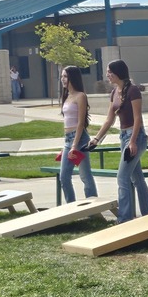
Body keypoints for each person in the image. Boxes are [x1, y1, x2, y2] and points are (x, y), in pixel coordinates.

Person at [88, 59, 148, 223]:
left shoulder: (133, 91)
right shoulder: (114, 93)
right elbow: (109, 120)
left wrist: (132, 142)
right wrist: (96, 139)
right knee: (137, 179)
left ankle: (124, 218)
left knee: (122, 177)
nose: (107, 75)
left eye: (110, 71)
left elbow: (138, 118)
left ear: (118, 73)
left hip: (136, 136)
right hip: (123, 136)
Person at [58, 66, 98, 204]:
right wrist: (67, 145)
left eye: (65, 76)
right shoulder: (66, 95)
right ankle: (71, 207)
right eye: (62, 76)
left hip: (80, 139)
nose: (62, 79)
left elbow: (81, 123)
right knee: (63, 177)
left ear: (72, 78)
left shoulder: (80, 96)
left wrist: (75, 145)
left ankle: (93, 207)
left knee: (85, 176)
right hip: (68, 139)